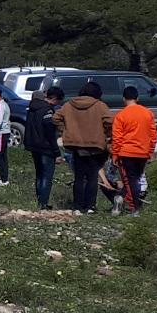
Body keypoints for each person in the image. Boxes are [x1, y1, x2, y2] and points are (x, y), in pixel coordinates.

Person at [54, 79, 113, 213]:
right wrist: (105, 133)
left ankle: (77, 206)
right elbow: (110, 122)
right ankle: (90, 206)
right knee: (92, 177)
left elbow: (55, 118)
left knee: (79, 177)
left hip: (76, 146)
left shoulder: (69, 105)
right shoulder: (100, 105)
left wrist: (66, 130)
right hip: (95, 146)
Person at [111, 86, 157, 214]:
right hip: (142, 152)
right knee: (136, 179)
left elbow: (117, 138)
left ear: (123, 98)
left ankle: (134, 208)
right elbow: (153, 135)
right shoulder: (148, 113)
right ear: (137, 98)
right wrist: (150, 151)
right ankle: (129, 204)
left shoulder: (121, 115)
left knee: (130, 181)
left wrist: (115, 155)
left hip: (126, 152)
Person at [22, 89, 63, 210]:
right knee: (46, 176)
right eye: (58, 101)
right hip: (46, 147)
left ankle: (39, 200)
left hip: (34, 146)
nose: (58, 104)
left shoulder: (32, 108)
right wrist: (56, 151)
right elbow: (49, 132)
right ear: (54, 98)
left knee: (39, 174)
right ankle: (43, 203)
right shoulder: (47, 110)